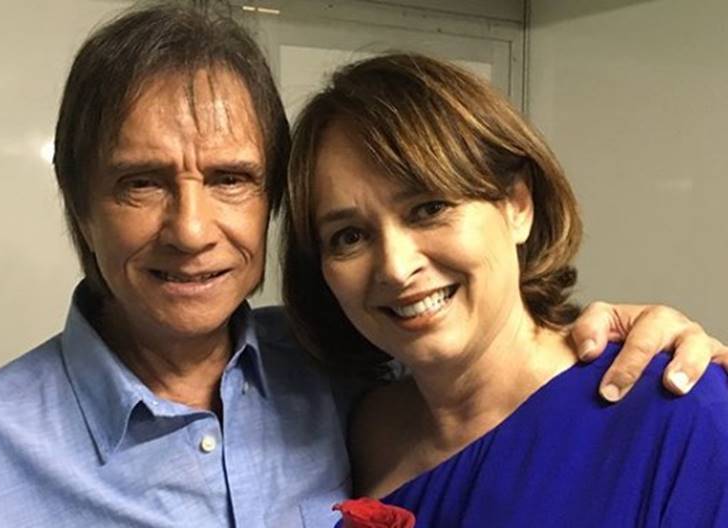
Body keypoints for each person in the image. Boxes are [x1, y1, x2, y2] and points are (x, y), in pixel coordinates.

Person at [0, 4, 724, 527]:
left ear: (517, 204)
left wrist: (652, 339)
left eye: (231, 179)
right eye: (141, 183)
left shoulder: (339, 374)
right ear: (79, 202)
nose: (191, 230)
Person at [282, 53, 728, 526]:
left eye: (429, 208)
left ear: (518, 204)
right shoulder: (357, 432)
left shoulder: (679, 414)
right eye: (349, 236)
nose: (395, 268)